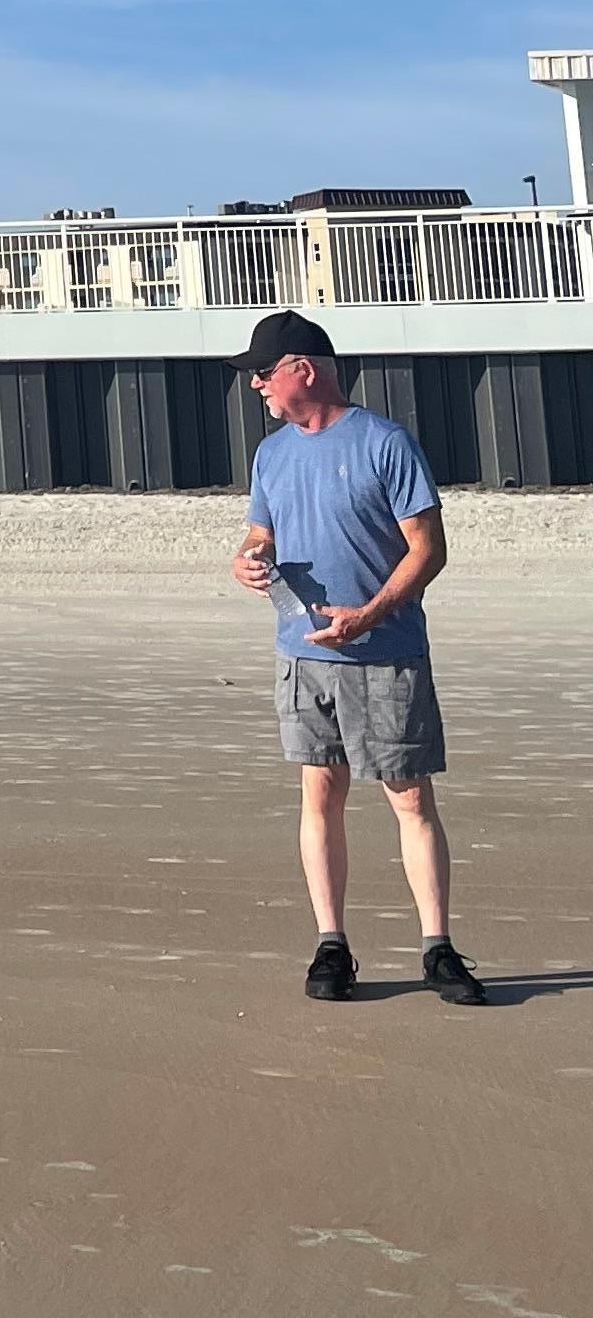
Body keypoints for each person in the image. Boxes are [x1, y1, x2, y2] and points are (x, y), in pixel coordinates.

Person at [229, 312, 483, 1005]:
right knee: (321, 796)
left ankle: (438, 948)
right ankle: (331, 946)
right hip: (302, 654)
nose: (255, 384)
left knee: (409, 798)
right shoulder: (272, 454)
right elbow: (260, 532)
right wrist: (247, 562)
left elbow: (428, 549)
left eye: (263, 372)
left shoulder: (384, 443)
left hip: (386, 653)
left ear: (303, 370)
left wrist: (369, 614)